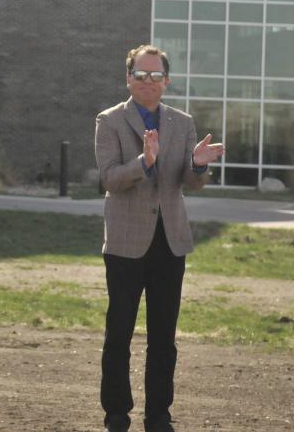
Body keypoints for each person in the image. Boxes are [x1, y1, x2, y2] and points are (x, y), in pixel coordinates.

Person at [94, 44, 223, 432]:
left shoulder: (182, 123)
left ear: (167, 81)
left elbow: (190, 182)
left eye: (155, 76)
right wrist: (143, 163)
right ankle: (117, 413)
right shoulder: (110, 120)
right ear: (128, 78)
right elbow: (109, 179)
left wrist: (198, 164)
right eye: (140, 75)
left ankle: (158, 415)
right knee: (119, 333)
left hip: (170, 242)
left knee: (164, 338)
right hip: (125, 244)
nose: (147, 82)